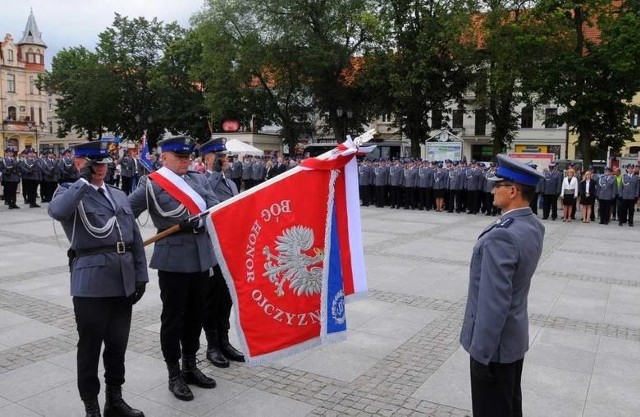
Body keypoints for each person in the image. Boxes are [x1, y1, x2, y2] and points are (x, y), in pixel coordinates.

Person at [48, 141, 148, 417]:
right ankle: (91, 406)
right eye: (94, 164)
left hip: (122, 279)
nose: (100, 169)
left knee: (118, 344)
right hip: (91, 284)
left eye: (103, 163)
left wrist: (140, 275)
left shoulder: (117, 194)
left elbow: (134, 238)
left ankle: (114, 399)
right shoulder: (69, 192)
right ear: (80, 163)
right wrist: (82, 183)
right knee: (90, 347)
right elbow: (57, 212)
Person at [128, 136, 219, 402]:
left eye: (188, 157)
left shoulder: (197, 179)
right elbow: (125, 213)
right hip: (174, 261)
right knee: (173, 319)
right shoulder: (152, 183)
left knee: (196, 315)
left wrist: (201, 222)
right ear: (163, 158)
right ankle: (174, 374)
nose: (185, 161)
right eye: (179, 157)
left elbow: (215, 207)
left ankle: (190, 366)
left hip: (202, 258)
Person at [460, 154, 545, 417]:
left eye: (498, 185)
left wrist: (481, 353)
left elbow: (494, 302)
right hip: (513, 340)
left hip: (494, 348)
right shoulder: (531, 224)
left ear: (513, 190)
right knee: (509, 406)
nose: (492, 189)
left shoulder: (503, 236)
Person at [200, 138, 245, 368]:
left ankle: (225, 341)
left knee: (226, 299)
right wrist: (214, 171)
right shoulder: (203, 180)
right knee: (211, 300)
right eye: (220, 156)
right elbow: (210, 206)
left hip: (229, 250)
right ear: (208, 159)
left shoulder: (231, 183)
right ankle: (212, 346)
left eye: (224, 156)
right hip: (211, 251)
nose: (225, 159)